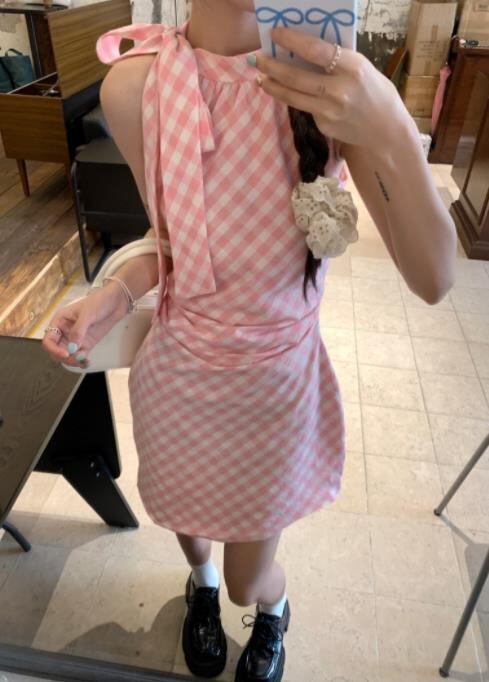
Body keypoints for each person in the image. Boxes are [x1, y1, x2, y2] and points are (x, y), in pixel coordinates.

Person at [42, 1, 457, 680]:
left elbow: (435, 277)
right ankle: (199, 585)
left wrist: (386, 120)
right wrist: (112, 293)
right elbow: (172, 240)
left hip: (273, 391)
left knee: (248, 579)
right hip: (178, 380)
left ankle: (270, 606)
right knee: (186, 524)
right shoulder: (135, 85)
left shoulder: (329, 90)